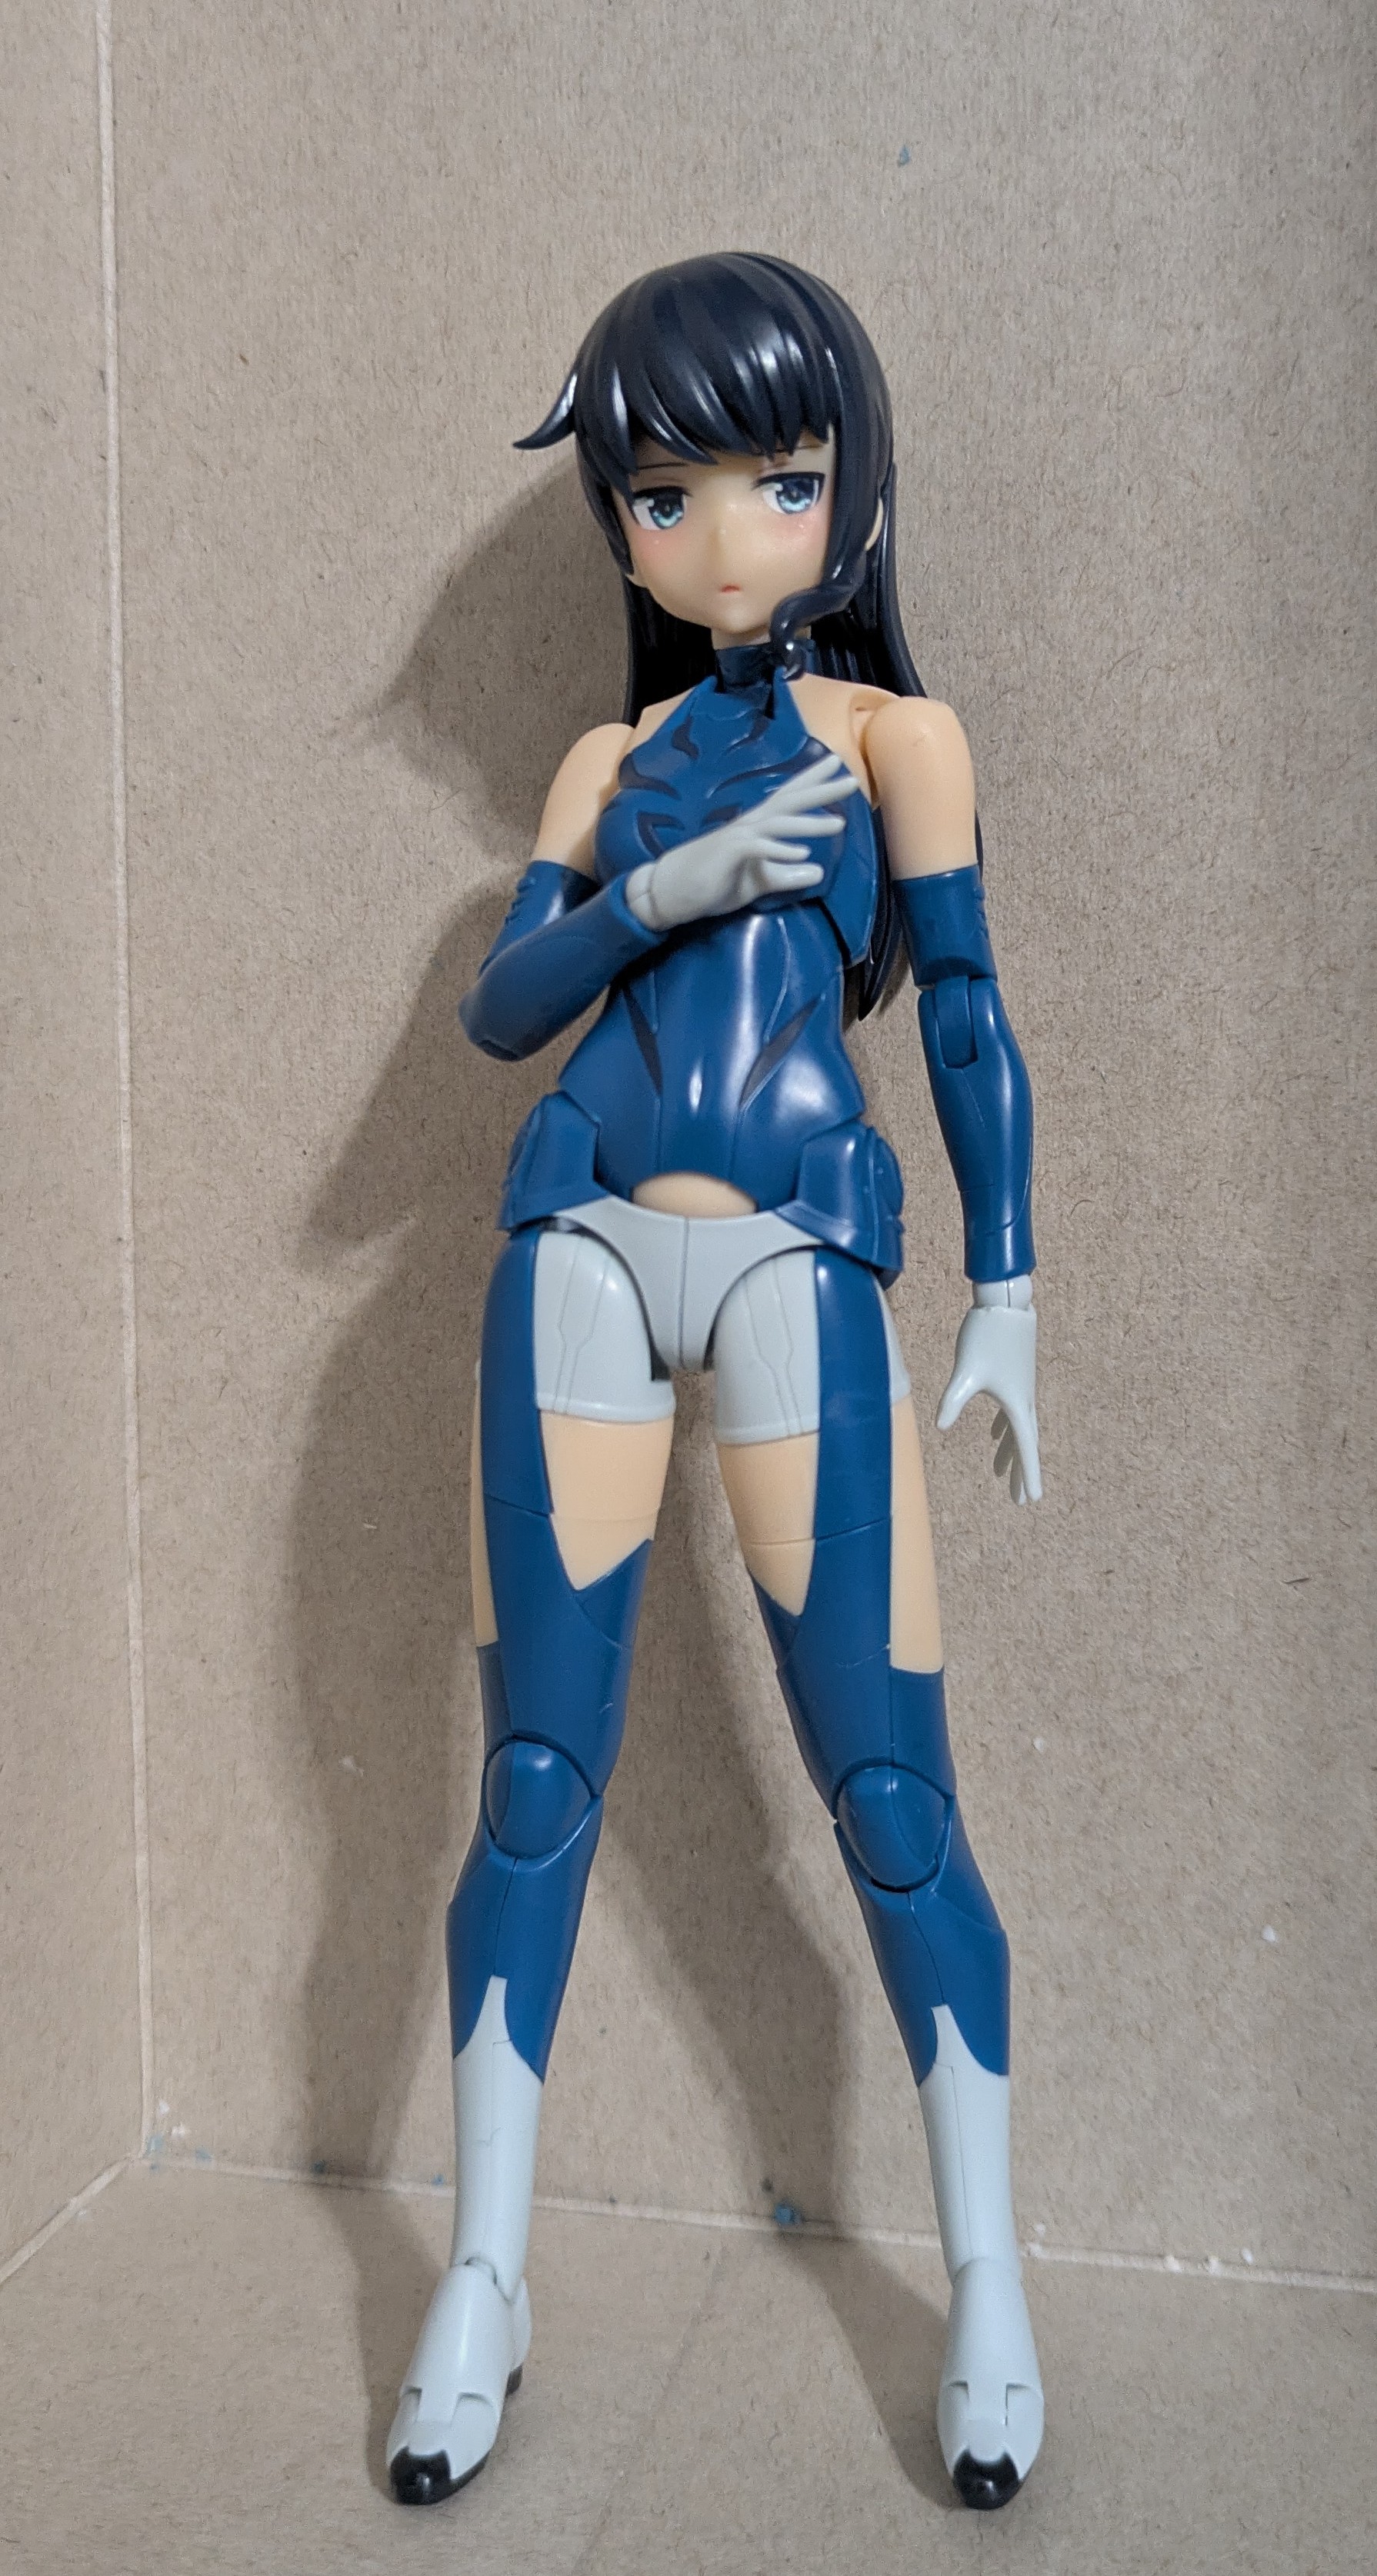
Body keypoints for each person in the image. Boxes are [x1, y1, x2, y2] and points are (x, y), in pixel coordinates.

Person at [388, 254, 1044, 2514]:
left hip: (794, 1256)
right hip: (579, 1242)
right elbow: (504, 1009)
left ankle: (988, 2279)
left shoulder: (896, 743)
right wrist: (662, 882)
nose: (725, 532)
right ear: (623, 520)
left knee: (889, 1797)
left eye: (777, 479)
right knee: (535, 1783)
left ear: (849, 487)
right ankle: (484, 2274)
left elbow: (965, 1011)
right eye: (665, 494)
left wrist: (1013, 1284)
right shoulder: (610, 762)